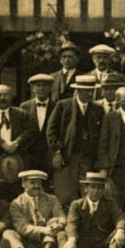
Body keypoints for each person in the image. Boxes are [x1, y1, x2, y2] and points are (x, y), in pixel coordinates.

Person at [46, 74, 103, 210]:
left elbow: (101, 137)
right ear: (77, 91)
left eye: (91, 90)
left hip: (88, 159)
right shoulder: (63, 106)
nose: (88, 94)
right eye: (84, 90)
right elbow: (51, 131)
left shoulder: (98, 109)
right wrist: (57, 151)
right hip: (67, 157)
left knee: (86, 192)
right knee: (66, 193)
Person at [6, 169, 65, 248]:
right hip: (27, 238)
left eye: (39, 183)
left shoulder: (52, 199)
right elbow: (22, 227)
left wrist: (57, 225)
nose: (37, 186)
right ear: (23, 184)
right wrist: (44, 230)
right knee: (8, 233)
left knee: (58, 233)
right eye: (32, 183)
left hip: (49, 237)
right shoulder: (16, 203)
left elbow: (61, 216)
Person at [19, 73, 55, 172]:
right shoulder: (24, 106)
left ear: (50, 88)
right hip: (29, 154)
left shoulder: (57, 106)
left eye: (44, 85)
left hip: (48, 154)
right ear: (33, 88)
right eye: (38, 85)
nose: (41, 88)